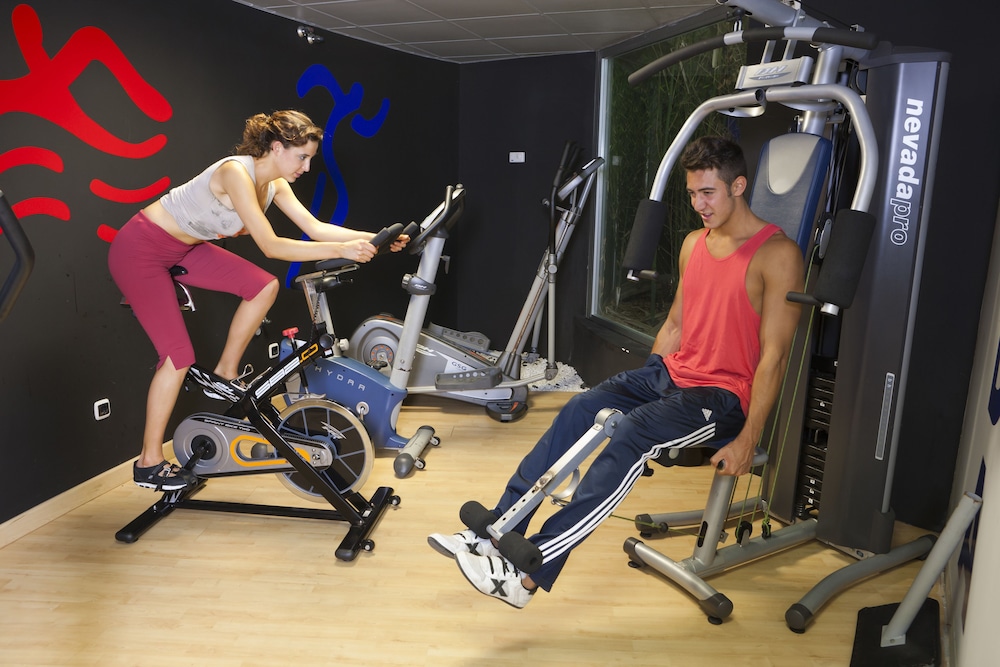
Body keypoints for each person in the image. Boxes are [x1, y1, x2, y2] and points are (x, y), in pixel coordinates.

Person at [428, 136, 805, 608]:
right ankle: (497, 530)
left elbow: (775, 356)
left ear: (739, 186)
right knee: (581, 407)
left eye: (708, 193)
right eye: (692, 194)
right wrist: (649, 383)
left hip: (722, 398)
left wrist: (749, 438)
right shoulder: (695, 243)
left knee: (631, 433)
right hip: (671, 376)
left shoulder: (777, 255)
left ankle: (527, 574)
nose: (698, 205)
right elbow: (675, 325)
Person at [109, 110, 407, 492]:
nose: (306, 167)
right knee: (177, 356)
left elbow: (314, 228)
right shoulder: (235, 173)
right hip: (141, 249)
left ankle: (225, 373)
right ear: (277, 147)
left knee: (263, 286)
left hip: (183, 249)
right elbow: (270, 245)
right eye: (302, 157)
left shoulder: (275, 184)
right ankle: (148, 462)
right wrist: (344, 249)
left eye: (310, 159)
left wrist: (376, 239)